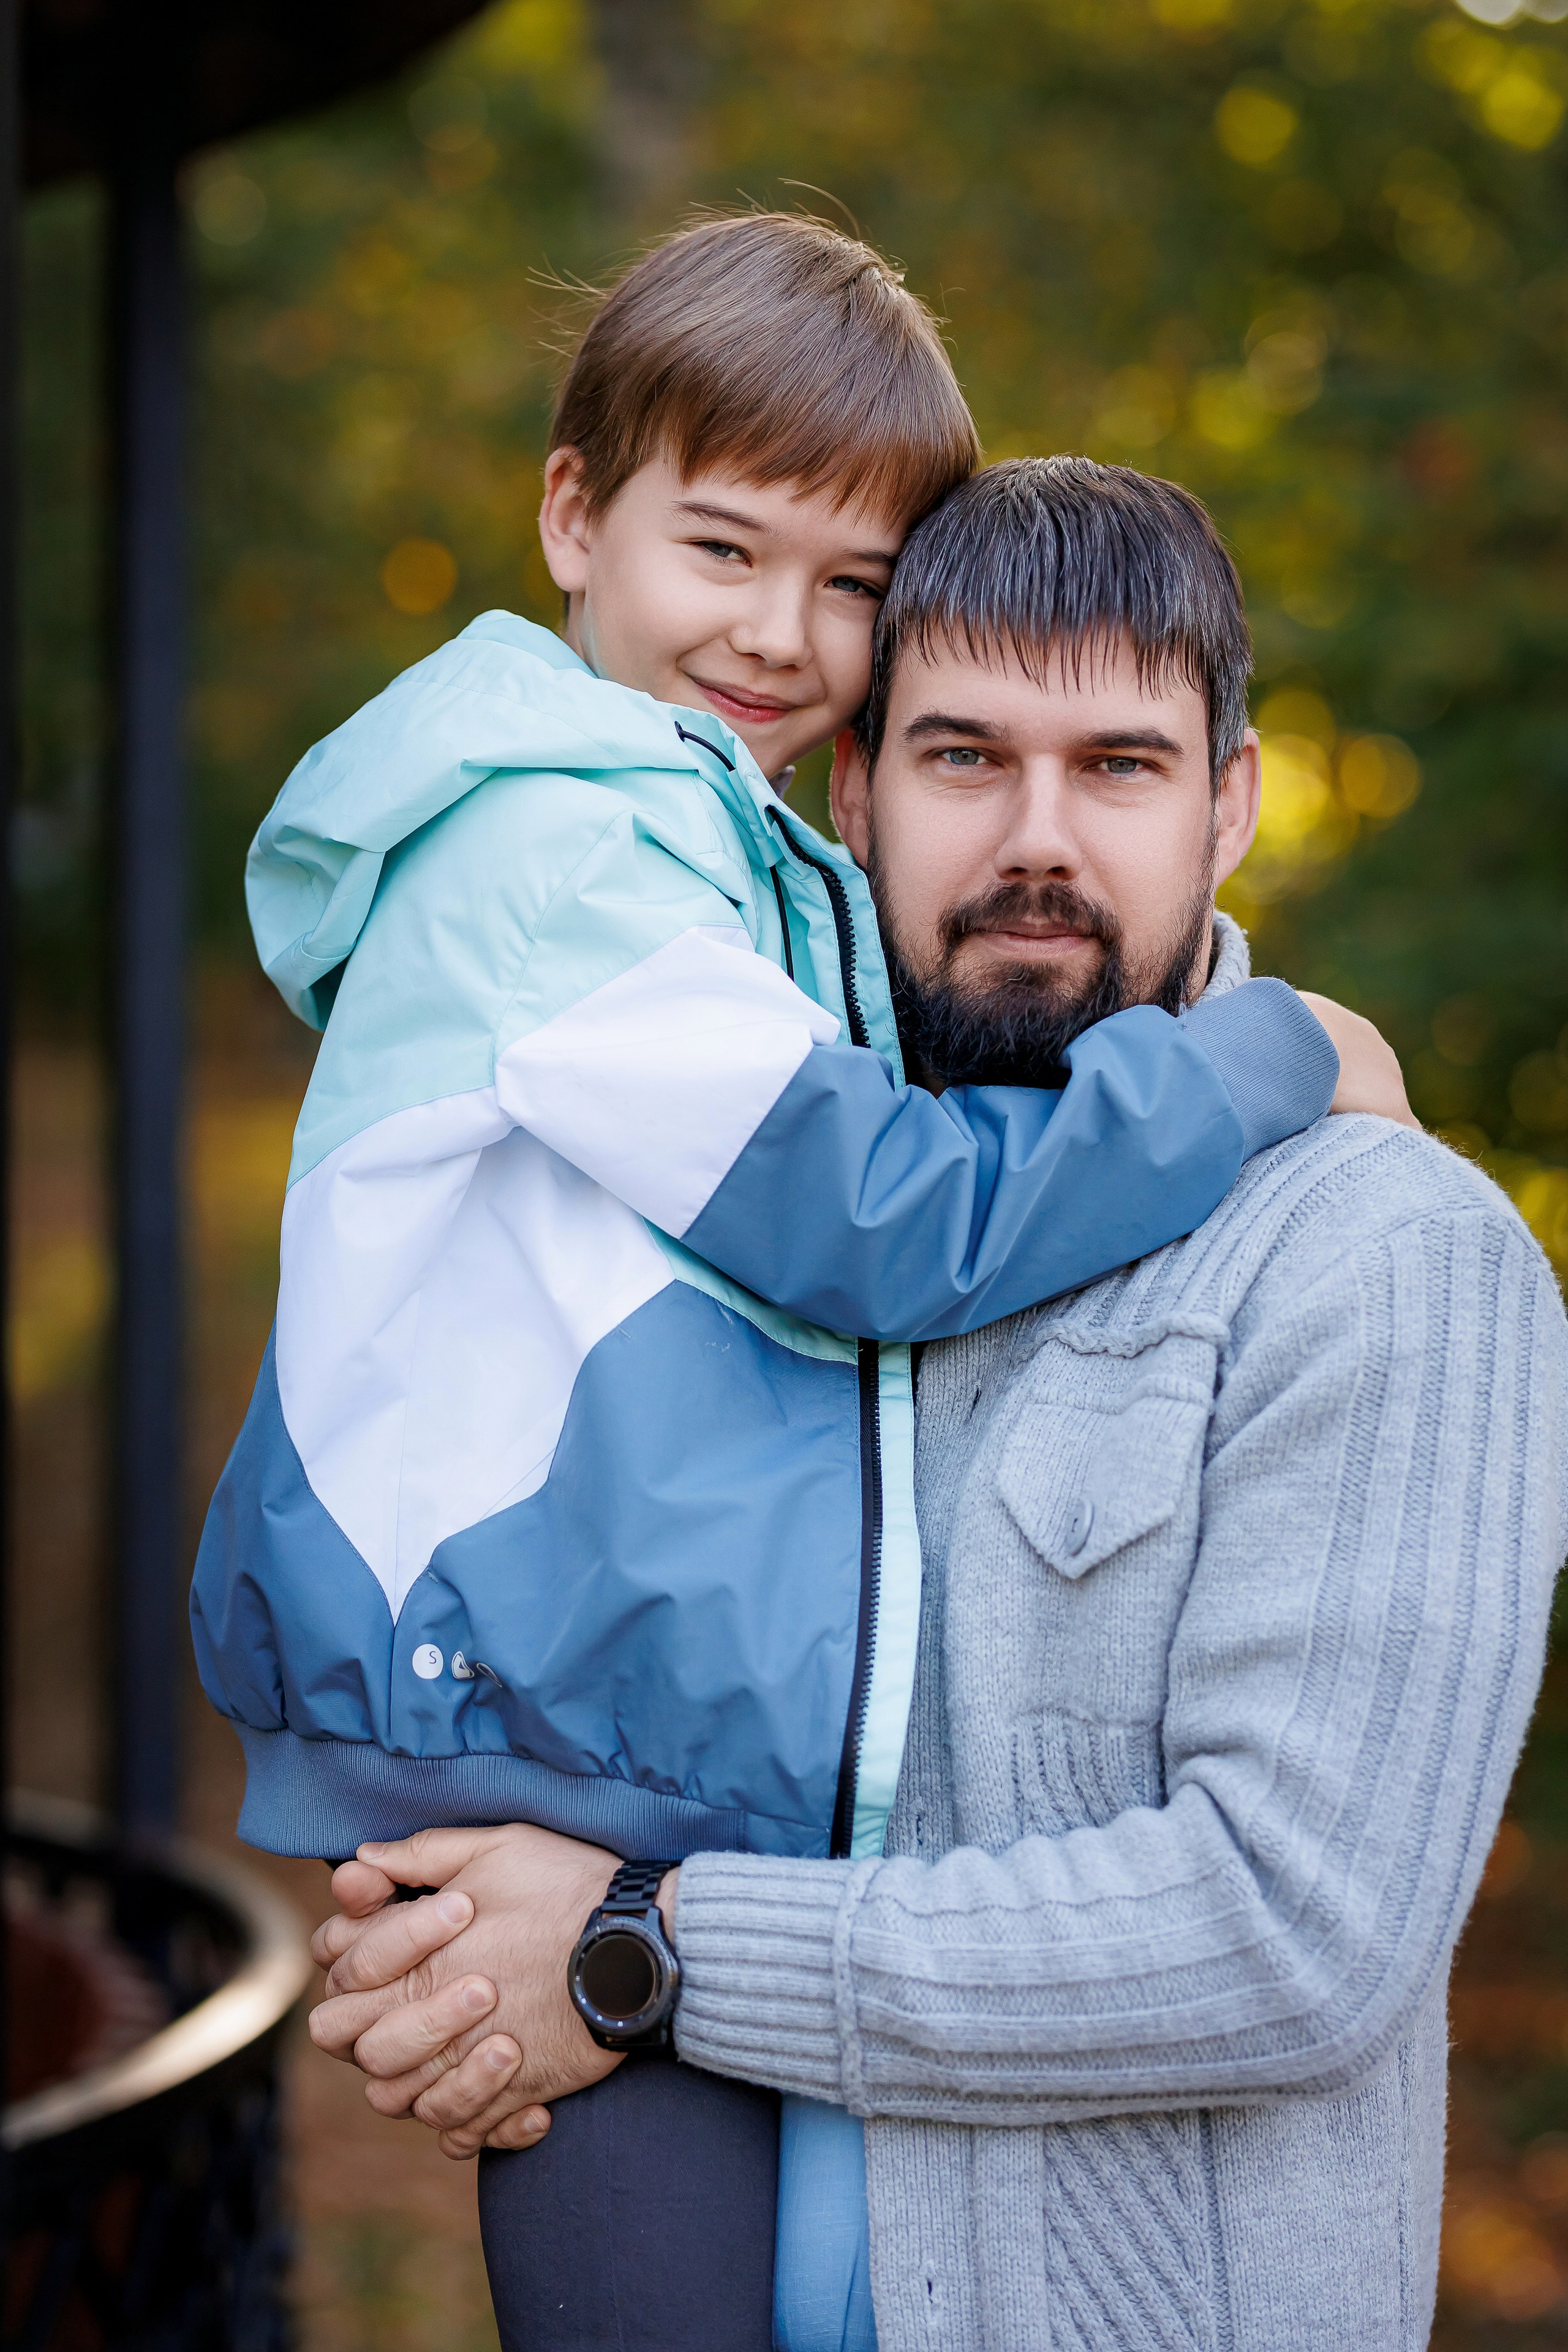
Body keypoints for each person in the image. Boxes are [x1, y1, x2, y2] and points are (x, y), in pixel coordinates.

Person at [195, 212, 1394, 2342]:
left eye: (853, 585)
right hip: (553, 1753)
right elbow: (890, 1223)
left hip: (645, 1777)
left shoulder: (712, 853)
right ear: (573, 512)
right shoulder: (556, 859)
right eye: (724, 550)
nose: (781, 632)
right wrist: (1267, 1053)